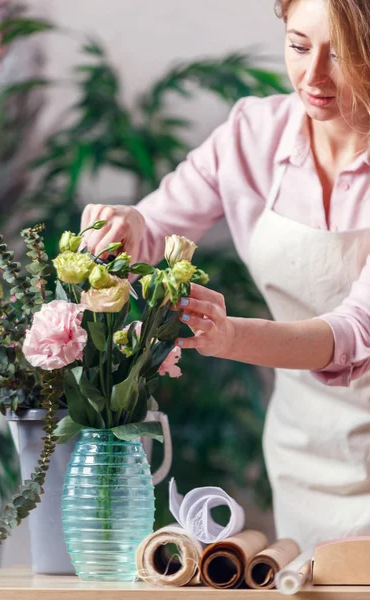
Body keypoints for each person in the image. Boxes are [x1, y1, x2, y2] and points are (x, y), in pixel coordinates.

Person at [81, 0, 370, 550]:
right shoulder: (253, 136)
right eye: (300, 46)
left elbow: (354, 332)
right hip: (306, 446)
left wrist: (231, 335)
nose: (313, 77)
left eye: (344, 55)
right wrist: (125, 223)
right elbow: (157, 229)